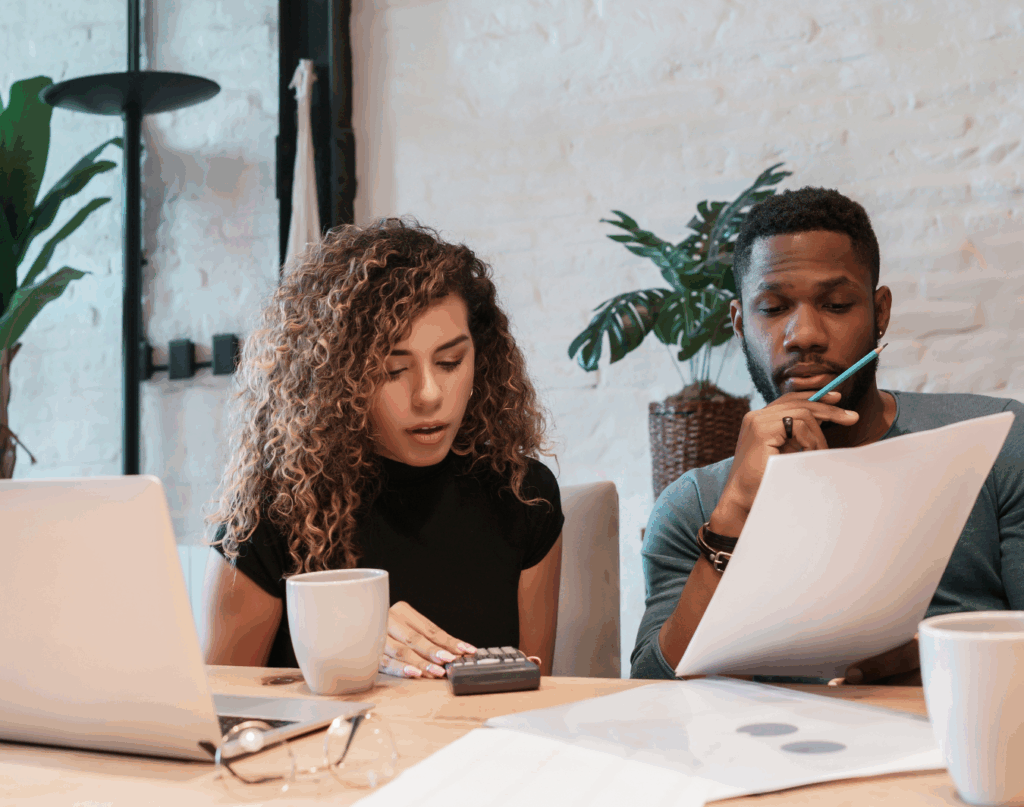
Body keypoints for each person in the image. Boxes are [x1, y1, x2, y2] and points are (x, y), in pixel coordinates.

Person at [631, 187, 1024, 683]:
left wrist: (929, 652)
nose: (805, 334)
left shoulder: (997, 443)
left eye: (836, 304)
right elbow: (651, 686)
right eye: (772, 309)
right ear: (738, 323)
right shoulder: (693, 505)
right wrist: (735, 512)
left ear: (880, 312)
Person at [202, 219, 563, 678]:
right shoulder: (273, 510)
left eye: (451, 362)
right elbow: (221, 710)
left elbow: (536, 692)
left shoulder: (522, 493)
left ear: (482, 356)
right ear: (337, 380)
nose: (429, 394)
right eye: (394, 370)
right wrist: (346, 644)